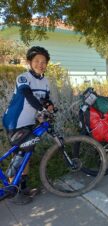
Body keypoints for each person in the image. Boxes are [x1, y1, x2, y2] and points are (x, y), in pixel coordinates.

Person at [2, 46, 54, 204]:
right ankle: (12, 192)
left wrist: (50, 106)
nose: (40, 64)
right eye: (37, 61)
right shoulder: (23, 78)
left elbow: (45, 99)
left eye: (44, 62)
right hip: (15, 121)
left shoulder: (45, 82)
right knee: (18, 156)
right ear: (29, 62)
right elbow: (28, 96)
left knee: (27, 154)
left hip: (30, 122)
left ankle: (22, 188)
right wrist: (43, 109)